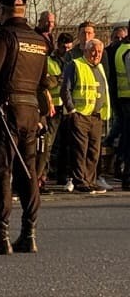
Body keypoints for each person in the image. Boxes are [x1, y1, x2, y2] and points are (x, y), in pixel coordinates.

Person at [0, 0, 49, 255]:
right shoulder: (39, 40)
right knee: (28, 172)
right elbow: (44, 81)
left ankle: (0, 235)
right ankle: (29, 233)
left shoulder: (4, 36)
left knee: (1, 171)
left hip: (7, 110)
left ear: (1, 9)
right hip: (31, 110)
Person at [60, 38, 110, 194]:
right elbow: (65, 89)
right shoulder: (75, 65)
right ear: (86, 51)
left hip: (96, 116)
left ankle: (90, 180)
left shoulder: (100, 67)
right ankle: (80, 181)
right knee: (80, 150)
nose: (96, 54)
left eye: (99, 51)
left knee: (94, 151)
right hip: (80, 115)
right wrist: (72, 110)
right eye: (93, 50)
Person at [39, 32, 73, 194]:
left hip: (68, 107)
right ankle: (42, 178)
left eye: (68, 47)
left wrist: (57, 79)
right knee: (48, 144)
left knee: (66, 144)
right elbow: (45, 81)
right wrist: (60, 78)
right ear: (57, 45)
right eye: (63, 47)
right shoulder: (47, 60)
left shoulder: (72, 61)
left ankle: (63, 176)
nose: (65, 50)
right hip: (52, 106)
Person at [112, 22, 130, 191]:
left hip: (123, 97)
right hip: (127, 98)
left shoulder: (121, 49)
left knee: (126, 136)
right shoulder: (128, 50)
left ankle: (122, 168)